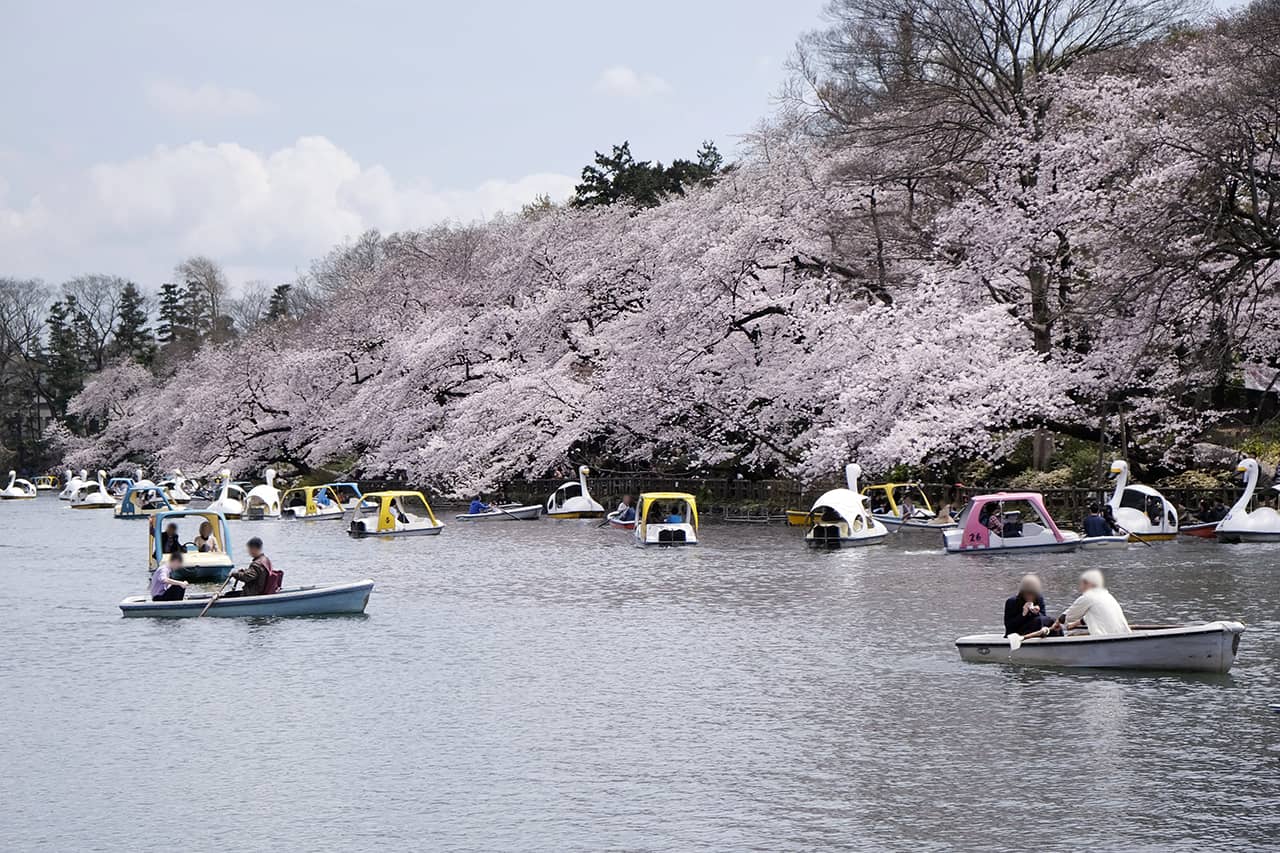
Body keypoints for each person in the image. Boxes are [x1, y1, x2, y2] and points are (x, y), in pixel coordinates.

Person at [1053, 569, 1131, 636]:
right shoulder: (1107, 595)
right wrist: (1073, 625)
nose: (1080, 587)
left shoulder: (1088, 597)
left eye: (1082, 584)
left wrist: (1056, 624)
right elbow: (1091, 617)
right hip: (1123, 634)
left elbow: (1066, 617)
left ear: (1088, 584)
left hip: (1106, 637)